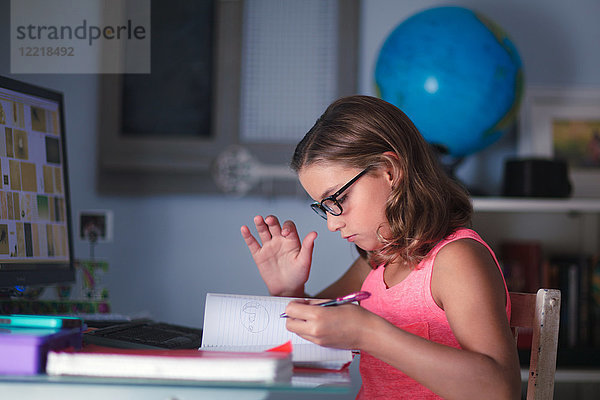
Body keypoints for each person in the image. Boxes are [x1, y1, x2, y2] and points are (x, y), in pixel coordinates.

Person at [240, 95, 521, 399]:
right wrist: (288, 291)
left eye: (339, 199)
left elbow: (499, 390)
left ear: (390, 171)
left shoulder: (457, 259)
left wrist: (370, 333)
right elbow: (314, 335)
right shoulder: (377, 261)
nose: (332, 224)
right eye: (324, 208)